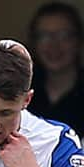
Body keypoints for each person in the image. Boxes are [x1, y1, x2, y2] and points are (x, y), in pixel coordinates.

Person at [28, 2, 84, 136]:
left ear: (78, 41)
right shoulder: (20, 89)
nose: (53, 45)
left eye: (64, 35)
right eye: (44, 36)